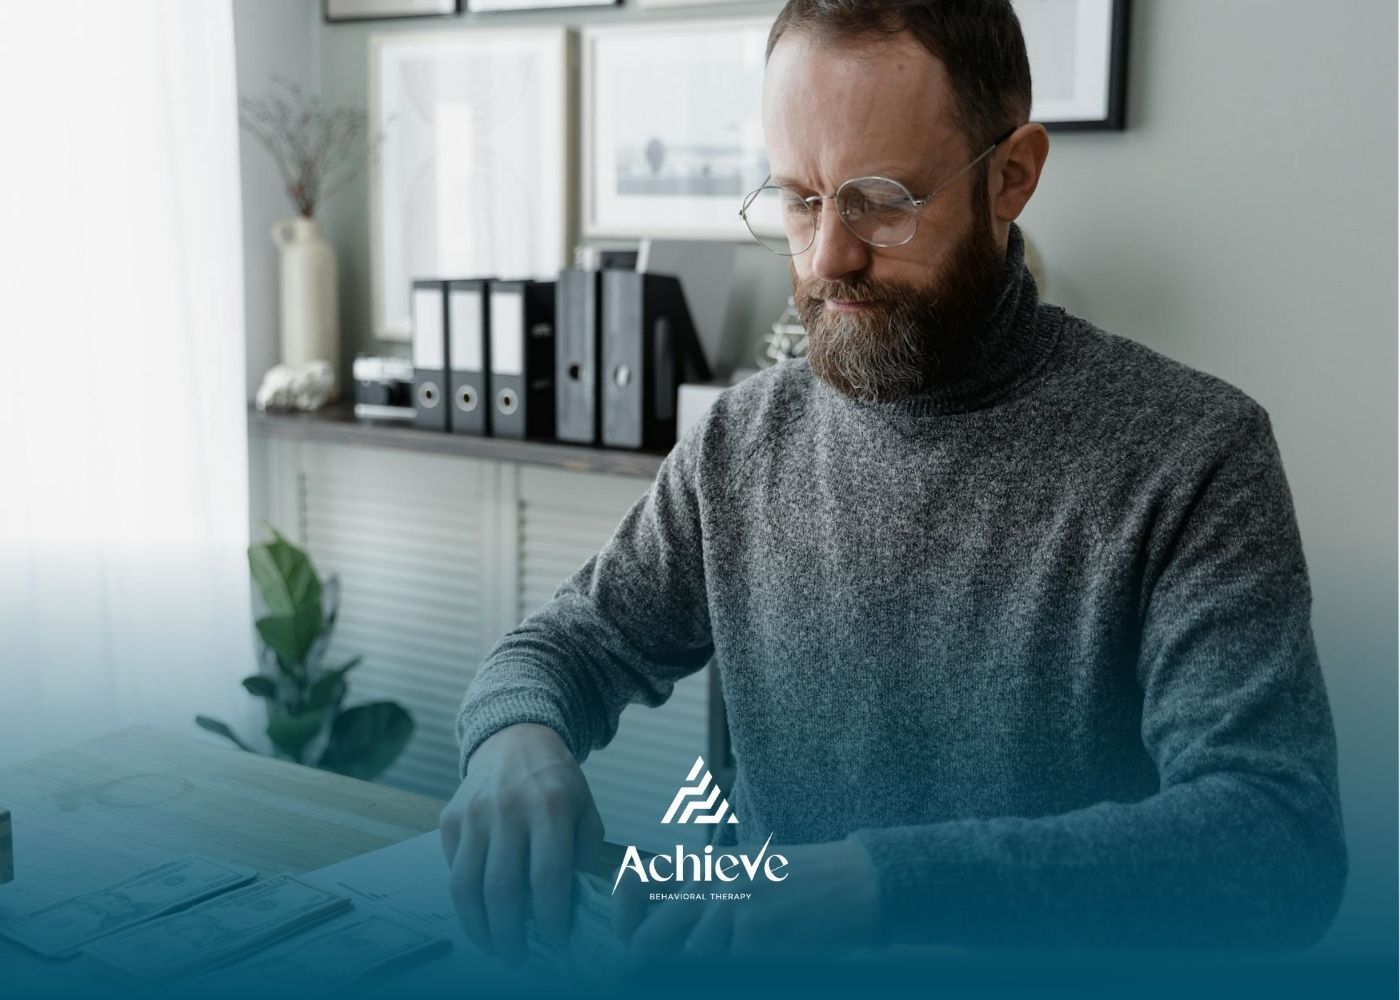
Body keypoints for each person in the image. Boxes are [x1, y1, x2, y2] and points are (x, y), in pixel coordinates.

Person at [439, 0, 1346, 968]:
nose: (829, 256)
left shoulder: (1192, 452)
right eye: (799, 200)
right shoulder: (740, 439)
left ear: (1011, 176)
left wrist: (886, 888)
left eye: (880, 199)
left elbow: (1275, 845)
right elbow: (565, 647)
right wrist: (513, 740)